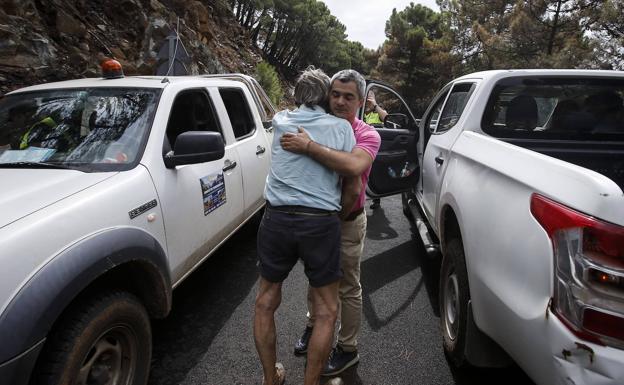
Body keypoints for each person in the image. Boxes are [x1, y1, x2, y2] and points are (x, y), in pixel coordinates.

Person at [254, 67, 359, 385]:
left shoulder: (282, 121)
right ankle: (311, 382)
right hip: (320, 222)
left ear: (297, 95)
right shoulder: (342, 128)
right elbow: (353, 188)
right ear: (326, 96)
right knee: (328, 309)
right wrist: (335, 219)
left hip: (277, 219)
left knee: (266, 300)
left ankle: (271, 377)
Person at [280, 69, 381, 376]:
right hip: (317, 221)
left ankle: (347, 349)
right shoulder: (321, 126)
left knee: (348, 286)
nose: (339, 101)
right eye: (334, 94)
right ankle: (314, 327)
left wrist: (309, 147)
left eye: (348, 96)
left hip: (348, 221)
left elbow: (354, 166)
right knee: (316, 279)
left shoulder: (367, 134)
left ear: (361, 101)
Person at [363, 90, 387, 210]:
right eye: (366, 96)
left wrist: (375, 105)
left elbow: (386, 118)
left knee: (376, 172)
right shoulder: (361, 112)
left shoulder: (379, 110)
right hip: (363, 145)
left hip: (377, 146)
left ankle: (376, 199)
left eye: (370, 96)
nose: (368, 99)